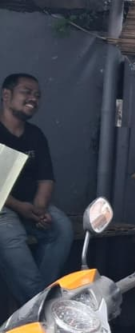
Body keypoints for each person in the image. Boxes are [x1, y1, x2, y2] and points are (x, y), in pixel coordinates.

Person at [0, 73, 72, 304]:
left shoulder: (35, 135)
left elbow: (46, 178)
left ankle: (37, 300)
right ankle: (41, 306)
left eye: (38, 95)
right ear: (6, 95)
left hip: (30, 205)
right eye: (27, 92)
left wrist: (40, 209)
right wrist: (19, 207)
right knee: (11, 238)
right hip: (3, 206)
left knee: (61, 228)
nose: (34, 98)